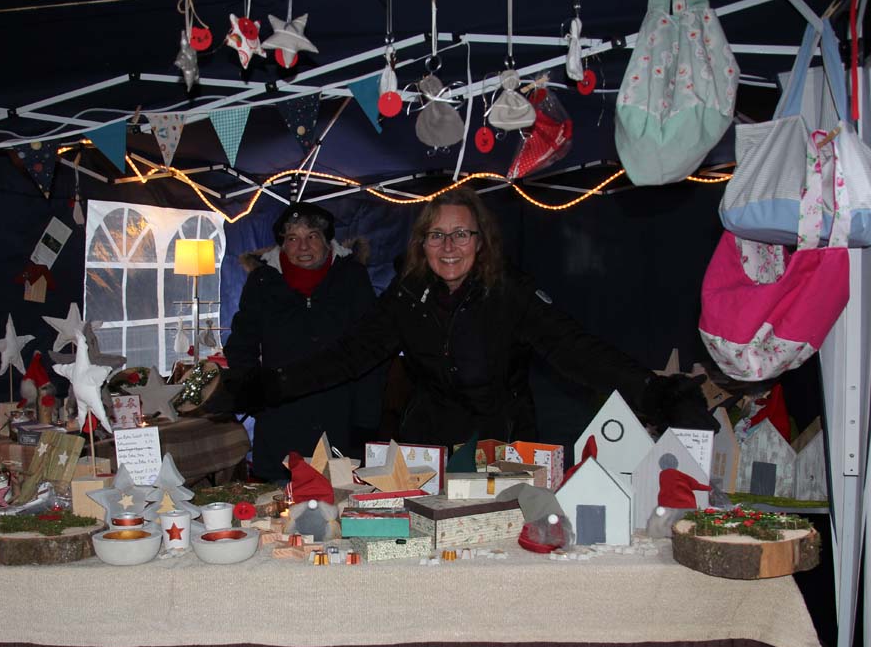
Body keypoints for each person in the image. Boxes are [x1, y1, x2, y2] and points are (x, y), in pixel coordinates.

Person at [221, 188, 714, 451]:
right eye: (436, 235)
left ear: (481, 241)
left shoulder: (511, 291)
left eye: (461, 234)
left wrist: (654, 392)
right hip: (429, 445)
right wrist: (270, 385)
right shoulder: (407, 295)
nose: (449, 246)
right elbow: (349, 355)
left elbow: (576, 350)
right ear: (422, 244)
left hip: (504, 442)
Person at [224, 202, 385, 480]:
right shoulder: (263, 281)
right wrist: (256, 393)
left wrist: (365, 420)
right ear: (282, 244)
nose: (303, 247)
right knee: (278, 502)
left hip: (340, 421)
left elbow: (372, 349)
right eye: (292, 238)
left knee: (340, 499)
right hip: (281, 423)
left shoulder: (352, 278)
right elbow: (241, 345)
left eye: (312, 236)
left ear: (326, 240)